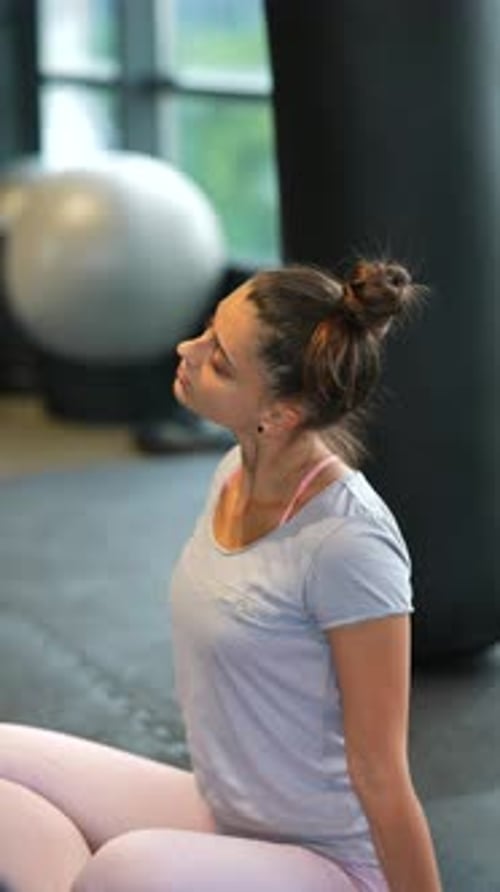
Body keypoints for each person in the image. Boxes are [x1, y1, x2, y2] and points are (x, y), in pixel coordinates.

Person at [0, 259, 442, 892]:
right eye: (209, 328)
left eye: (220, 360)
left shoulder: (349, 544)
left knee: (124, 870)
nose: (189, 349)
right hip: (226, 814)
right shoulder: (236, 471)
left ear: (281, 414)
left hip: (332, 863)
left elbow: (382, 774)